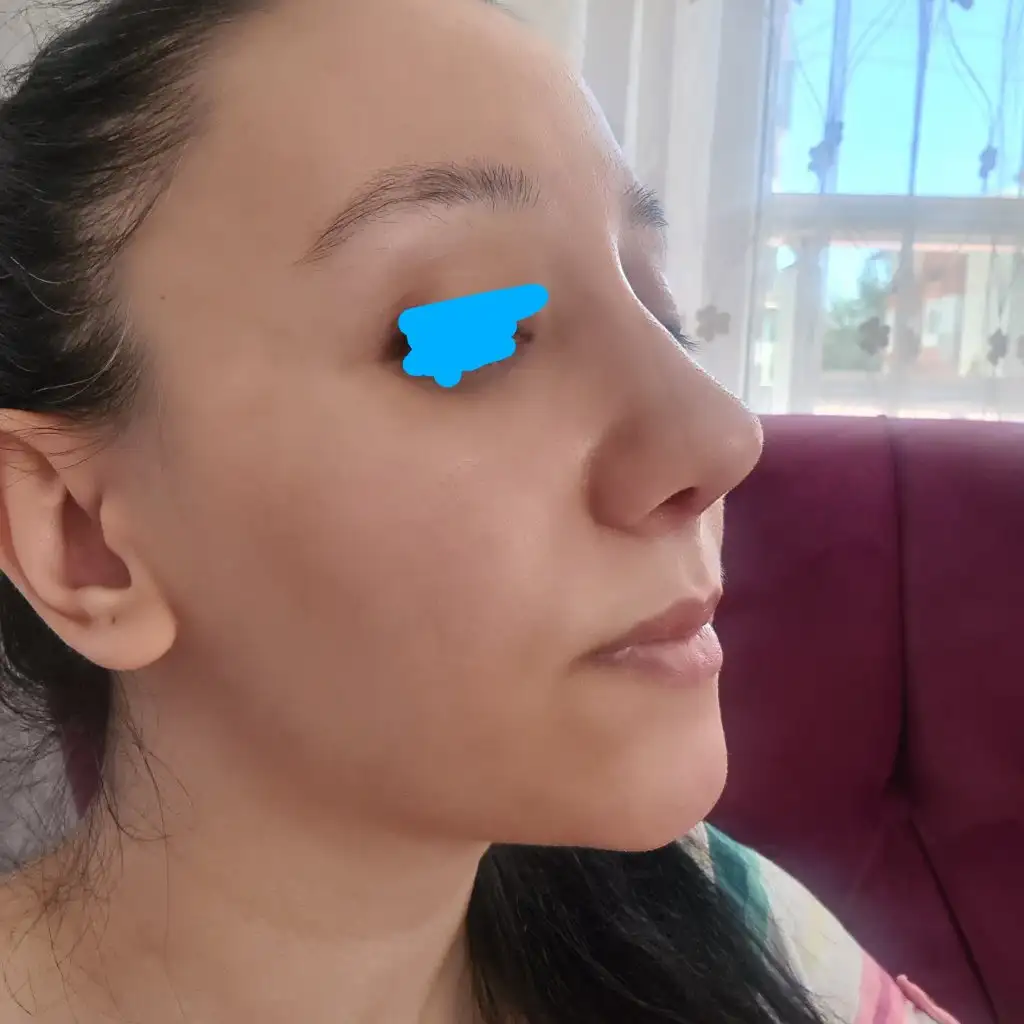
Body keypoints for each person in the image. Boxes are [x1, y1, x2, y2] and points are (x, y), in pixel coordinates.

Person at [0, 1, 960, 1022]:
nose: (722, 437)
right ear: (82, 539)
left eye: (660, 312)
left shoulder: (727, 916)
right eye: (471, 334)